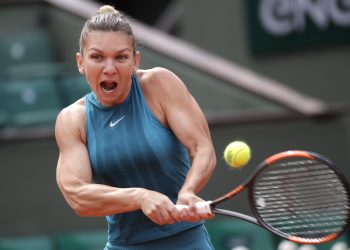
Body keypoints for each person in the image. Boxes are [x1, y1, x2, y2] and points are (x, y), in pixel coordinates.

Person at [55, 5, 216, 250]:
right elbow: (77, 195)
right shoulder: (72, 120)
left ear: (135, 61)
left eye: (120, 57)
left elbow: (202, 148)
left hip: (187, 242)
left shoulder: (160, 84)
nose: (109, 68)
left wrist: (189, 191)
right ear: (80, 63)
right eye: (97, 57)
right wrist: (140, 197)